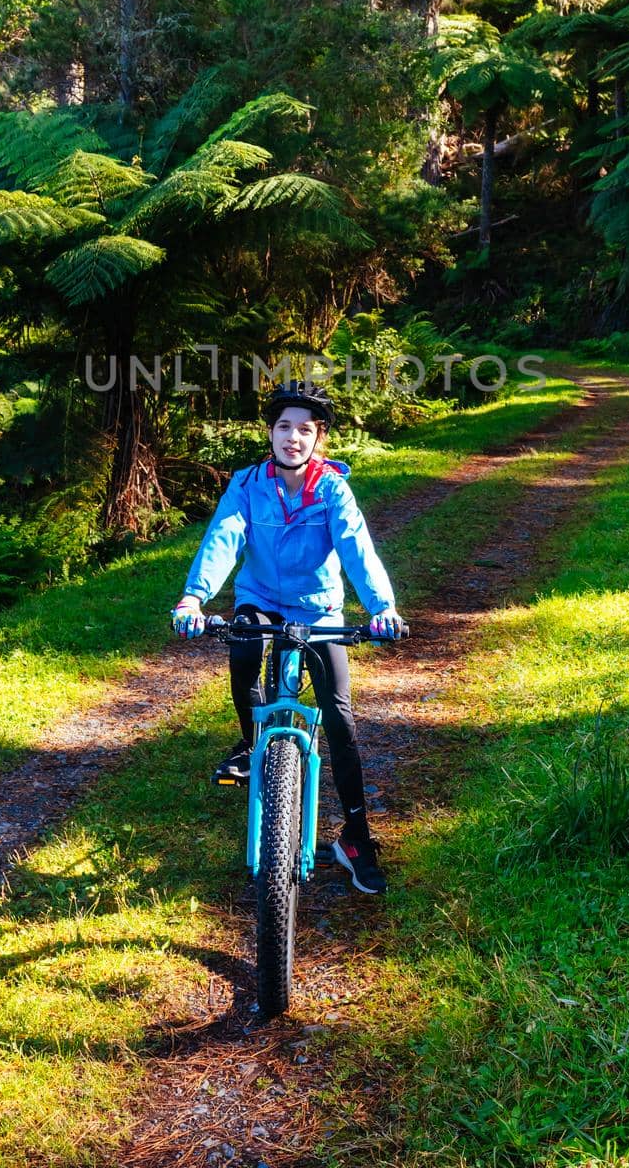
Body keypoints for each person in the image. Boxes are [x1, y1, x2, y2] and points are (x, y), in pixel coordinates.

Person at [171, 380, 404, 895]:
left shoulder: (332, 489)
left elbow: (356, 548)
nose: (292, 438)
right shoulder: (248, 484)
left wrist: (381, 607)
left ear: (318, 436)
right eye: (283, 427)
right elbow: (223, 539)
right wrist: (195, 597)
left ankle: (356, 838)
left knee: (339, 718)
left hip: (318, 609)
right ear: (270, 433)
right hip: (260, 600)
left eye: (304, 429)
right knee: (243, 646)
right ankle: (252, 739)